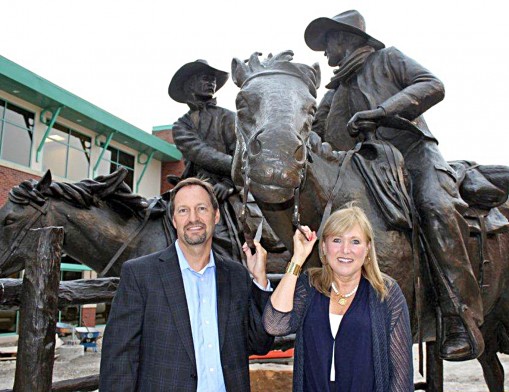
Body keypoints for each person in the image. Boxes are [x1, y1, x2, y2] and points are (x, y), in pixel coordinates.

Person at [304, 10, 483, 360]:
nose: (326, 54)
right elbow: (315, 132)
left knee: (436, 208)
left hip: (414, 156)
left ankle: (460, 317)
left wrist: (384, 111)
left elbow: (432, 84)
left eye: (329, 43)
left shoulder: (388, 59)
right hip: (366, 171)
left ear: (347, 38)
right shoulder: (334, 92)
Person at [99, 177, 274, 391]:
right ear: (174, 219)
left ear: (216, 215)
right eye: (183, 211)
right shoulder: (141, 275)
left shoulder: (236, 275)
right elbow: (119, 359)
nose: (193, 218)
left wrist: (260, 280)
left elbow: (260, 343)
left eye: (201, 208)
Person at [263, 204, 413, 391]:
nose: (345, 250)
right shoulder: (309, 285)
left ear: (367, 249)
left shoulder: (386, 293)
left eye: (355, 242)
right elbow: (275, 324)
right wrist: (297, 259)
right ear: (324, 247)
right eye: (337, 240)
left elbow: (401, 375)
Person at [168, 59, 282, 260]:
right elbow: (200, 153)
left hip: (231, 188)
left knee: (259, 229)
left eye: (213, 79)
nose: (211, 82)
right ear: (189, 85)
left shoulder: (229, 118)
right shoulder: (181, 126)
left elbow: (240, 151)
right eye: (205, 78)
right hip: (194, 188)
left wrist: (229, 183)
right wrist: (243, 168)